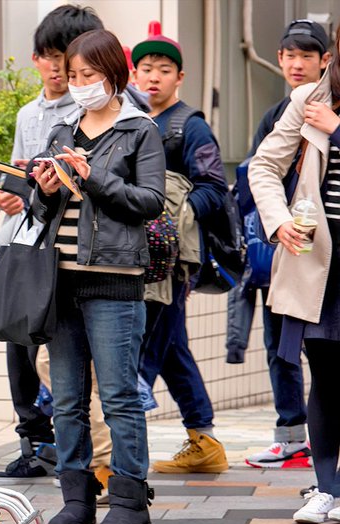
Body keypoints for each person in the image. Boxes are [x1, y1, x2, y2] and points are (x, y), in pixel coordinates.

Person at [30, 29, 165, 524]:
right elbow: (44, 209)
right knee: (65, 398)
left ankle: (130, 500)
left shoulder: (138, 131)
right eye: (75, 75)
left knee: (118, 397)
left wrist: (93, 178)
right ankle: (75, 497)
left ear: (114, 75)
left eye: (91, 75)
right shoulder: (63, 128)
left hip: (114, 280)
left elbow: (149, 202)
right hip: (59, 281)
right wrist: (42, 190)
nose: (81, 84)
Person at [0, 4, 106, 487]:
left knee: (68, 360)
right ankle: (32, 445)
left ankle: (86, 457)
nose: (56, 69)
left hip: (74, 253)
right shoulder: (29, 113)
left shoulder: (99, 112)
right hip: (25, 249)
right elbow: (18, 178)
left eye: (66, 59)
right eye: (47, 56)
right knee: (19, 343)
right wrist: (5, 194)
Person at [248, 23, 340, 524]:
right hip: (317, 259)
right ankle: (327, 488)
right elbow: (262, 166)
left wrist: (337, 130)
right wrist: (278, 220)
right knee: (324, 376)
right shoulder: (310, 96)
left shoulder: (326, 112)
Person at [131, 31, 231, 474]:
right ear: (133, 74)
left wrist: (172, 214)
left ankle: (120, 451)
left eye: (164, 70)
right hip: (136, 255)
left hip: (171, 261)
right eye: (146, 69)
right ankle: (204, 440)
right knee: (171, 347)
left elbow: (214, 189)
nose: (154, 77)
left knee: (147, 347)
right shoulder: (130, 118)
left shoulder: (188, 125)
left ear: (180, 77)